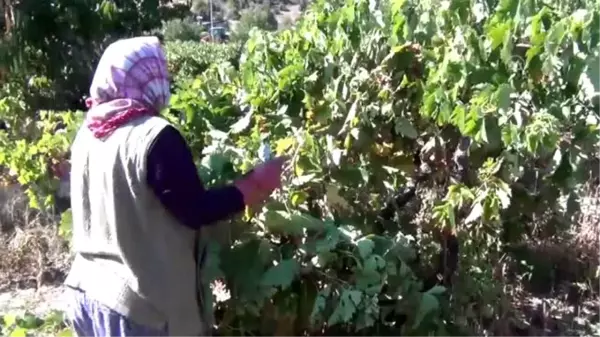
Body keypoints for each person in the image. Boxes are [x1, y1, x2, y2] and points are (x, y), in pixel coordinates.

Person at [63, 36, 286, 337]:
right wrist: (255, 185)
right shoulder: (155, 136)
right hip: (138, 312)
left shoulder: (88, 134)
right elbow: (193, 209)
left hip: (86, 294)